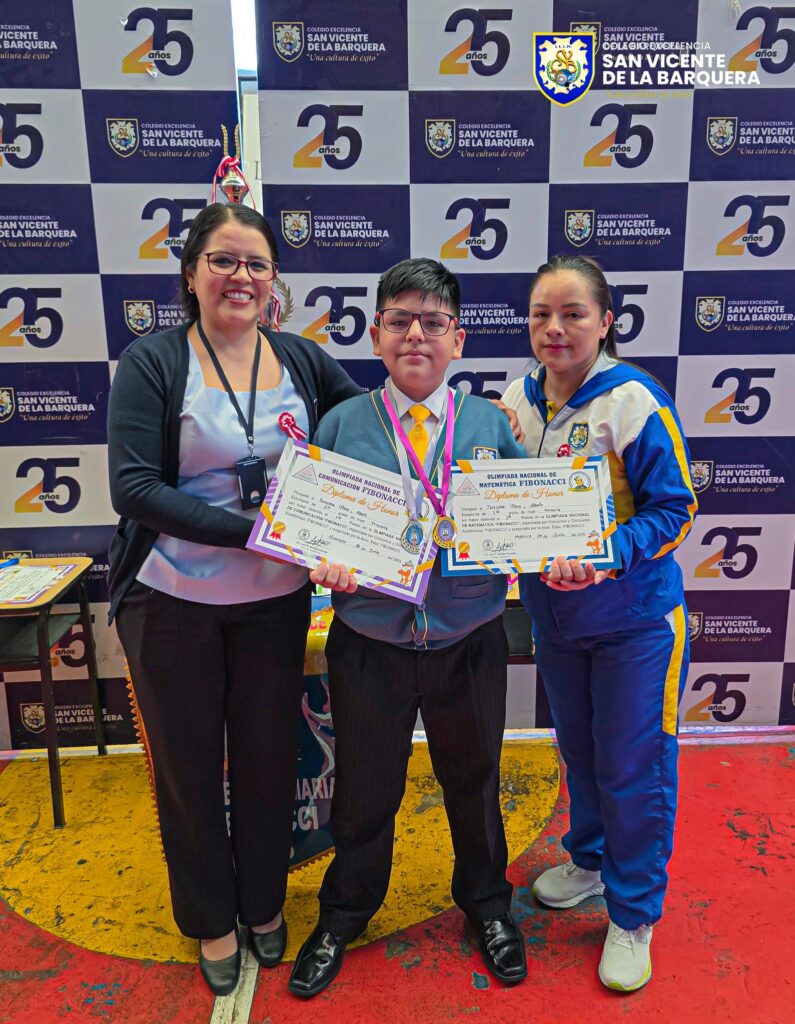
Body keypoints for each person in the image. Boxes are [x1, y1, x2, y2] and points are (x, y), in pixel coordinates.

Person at [107, 202, 360, 995]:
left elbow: (369, 431)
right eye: (222, 260)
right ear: (191, 274)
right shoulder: (153, 361)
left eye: (256, 263)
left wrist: (441, 430)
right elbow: (133, 488)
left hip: (273, 602)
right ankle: (211, 920)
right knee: (187, 770)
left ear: (273, 278)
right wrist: (257, 533)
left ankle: (262, 902)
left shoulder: (302, 360)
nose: (240, 276)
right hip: (170, 600)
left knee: (265, 758)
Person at [287, 258, 529, 999]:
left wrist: (550, 549)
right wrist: (320, 562)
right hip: (371, 644)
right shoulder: (342, 424)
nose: (415, 334)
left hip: (469, 639)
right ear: (376, 335)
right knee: (364, 789)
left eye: (432, 321)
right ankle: (344, 911)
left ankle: (487, 904)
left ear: (458, 340)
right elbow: (311, 526)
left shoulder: (490, 424)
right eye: (399, 320)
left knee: (475, 781)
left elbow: (525, 521)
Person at [501, 254, 698, 992]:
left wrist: (607, 554)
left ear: (605, 322)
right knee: (579, 754)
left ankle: (633, 912)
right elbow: (498, 498)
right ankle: (588, 862)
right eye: (540, 315)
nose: (554, 328)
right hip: (556, 620)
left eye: (572, 314)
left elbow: (675, 507)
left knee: (631, 766)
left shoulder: (632, 401)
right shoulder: (515, 400)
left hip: (634, 622)